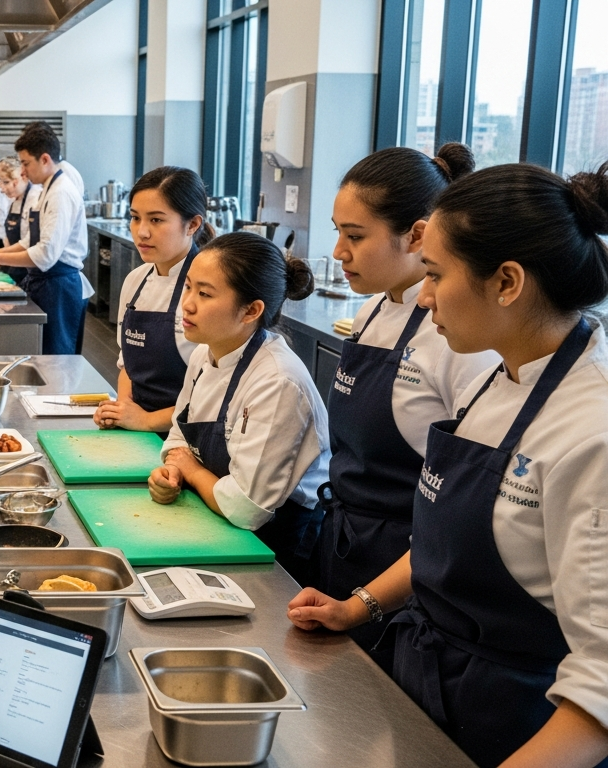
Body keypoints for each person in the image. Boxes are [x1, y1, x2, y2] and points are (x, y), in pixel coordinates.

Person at [287, 163, 608, 768]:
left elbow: (601, 690)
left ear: (507, 282)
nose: (423, 295)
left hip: (509, 724)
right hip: (424, 687)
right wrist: (356, 608)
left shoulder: (591, 432)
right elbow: (445, 546)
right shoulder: (499, 379)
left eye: (434, 273)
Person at [311, 143, 497, 668]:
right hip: (345, 543)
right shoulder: (371, 310)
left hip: (404, 569)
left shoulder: (462, 341)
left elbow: (460, 507)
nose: (339, 251)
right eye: (337, 231)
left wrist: (367, 602)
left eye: (355, 235)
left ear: (416, 234)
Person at [148, 232, 328, 584]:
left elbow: (245, 508)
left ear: (252, 310)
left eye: (205, 293)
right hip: (216, 525)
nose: (187, 304)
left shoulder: (277, 381)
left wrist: (192, 471)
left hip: (275, 547)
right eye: (188, 287)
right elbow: (177, 435)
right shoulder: (205, 352)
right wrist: (173, 470)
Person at [94, 166, 211, 433]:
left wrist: (145, 420)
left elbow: (214, 397)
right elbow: (127, 364)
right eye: (135, 218)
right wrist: (122, 410)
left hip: (188, 438)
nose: (142, 232)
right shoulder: (135, 280)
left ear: (192, 224)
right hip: (137, 433)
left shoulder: (208, 292)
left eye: (156, 220)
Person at [0, 127, 93, 354]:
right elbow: (30, 241)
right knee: (42, 356)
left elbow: (45, 255)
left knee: (57, 360)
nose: (24, 171)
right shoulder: (47, 188)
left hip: (59, 287)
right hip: (46, 284)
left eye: (26, 163)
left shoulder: (61, 192)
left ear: (45, 159)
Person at [0, 155, 41, 284]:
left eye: (6, 182)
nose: (2, 189)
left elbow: (28, 242)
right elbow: (7, 238)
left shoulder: (35, 198)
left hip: (31, 270)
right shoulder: (13, 200)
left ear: (23, 177)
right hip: (15, 268)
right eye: (0, 182)